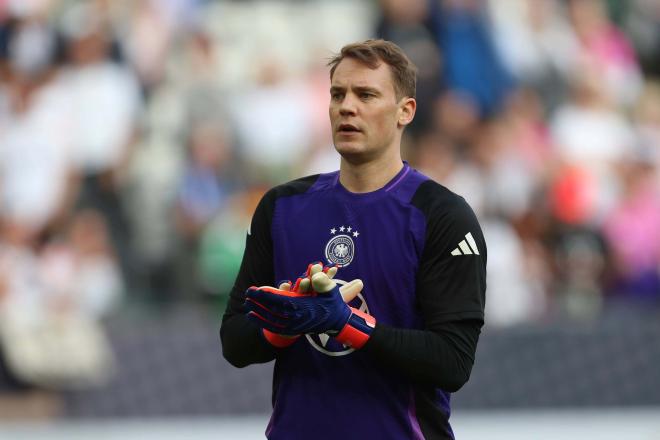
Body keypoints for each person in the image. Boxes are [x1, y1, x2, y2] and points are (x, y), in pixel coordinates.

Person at [220, 39, 486, 440]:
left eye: (366, 94)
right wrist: (286, 323)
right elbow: (233, 341)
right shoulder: (281, 207)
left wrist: (348, 325)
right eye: (337, 94)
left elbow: (453, 361)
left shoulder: (442, 215)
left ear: (405, 111)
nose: (347, 106)